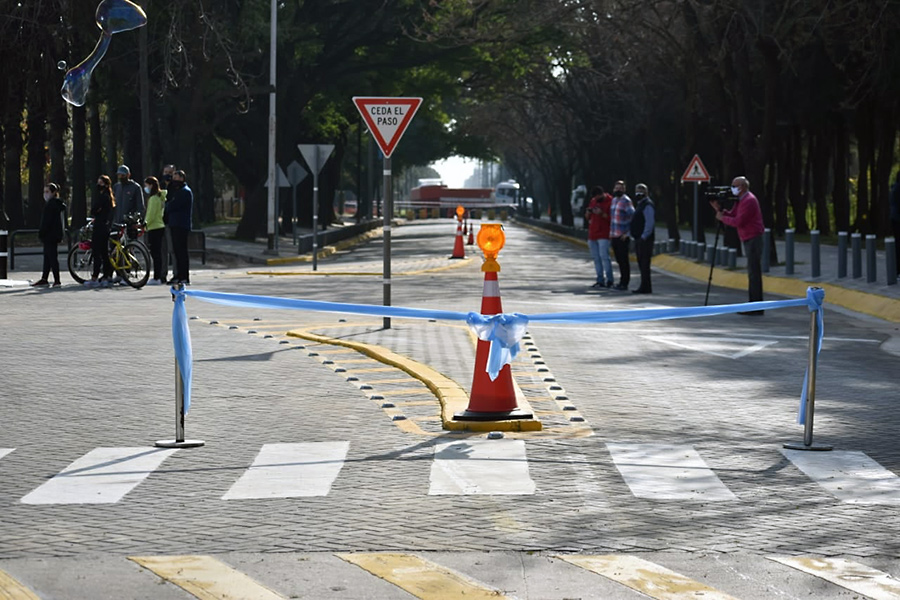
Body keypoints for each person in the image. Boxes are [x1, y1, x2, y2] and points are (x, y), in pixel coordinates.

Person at [712, 176, 765, 315]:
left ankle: (756, 306)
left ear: (742, 187)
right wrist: (720, 210)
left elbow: (738, 221)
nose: (732, 188)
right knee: (752, 272)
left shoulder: (749, 200)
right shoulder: (741, 200)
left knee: (754, 273)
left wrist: (722, 218)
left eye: (734, 186)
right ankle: (753, 304)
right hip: (748, 237)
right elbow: (733, 214)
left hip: (753, 238)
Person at [32, 183, 67, 288]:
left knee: (52, 257)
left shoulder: (50, 205)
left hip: (49, 235)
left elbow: (46, 221)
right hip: (54, 234)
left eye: (47, 192)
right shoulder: (57, 204)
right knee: (48, 257)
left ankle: (57, 280)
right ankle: (45, 278)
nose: (45, 194)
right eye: (44, 192)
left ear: (53, 193)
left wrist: (42, 232)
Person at [164, 169, 193, 285]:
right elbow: (168, 199)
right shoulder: (175, 191)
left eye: (176, 178)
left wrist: (167, 205)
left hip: (181, 224)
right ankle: (178, 275)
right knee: (176, 251)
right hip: (174, 223)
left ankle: (184, 276)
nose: (174, 181)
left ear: (182, 179)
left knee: (182, 251)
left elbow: (172, 205)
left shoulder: (184, 192)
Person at [87, 175, 115, 288]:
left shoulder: (103, 197)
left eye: (101, 183)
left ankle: (95, 276)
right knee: (104, 252)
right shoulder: (109, 196)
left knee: (97, 252)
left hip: (99, 227)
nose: (98, 185)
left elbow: (94, 209)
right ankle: (107, 276)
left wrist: (96, 212)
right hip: (105, 226)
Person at [585, 186, 614, 288]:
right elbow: (587, 217)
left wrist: (602, 214)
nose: (596, 200)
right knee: (596, 258)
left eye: (597, 197)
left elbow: (613, 219)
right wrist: (588, 213)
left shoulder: (610, 201)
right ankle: (600, 279)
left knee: (604, 257)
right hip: (593, 233)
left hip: (604, 234)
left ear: (602, 194)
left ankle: (610, 279)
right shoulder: (593, 201)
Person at [630, 183, 655, 294]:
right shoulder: (640, 204)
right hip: (639, 238)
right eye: (637, 190)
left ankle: (646, 287)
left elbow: (649, 223)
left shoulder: (647, 205)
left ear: (646, 192)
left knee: (645, 264)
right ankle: (644, 286)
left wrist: (643, 237)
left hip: (645, 240)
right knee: (641, 264)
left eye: (641, 191)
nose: (639, 193)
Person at [610, 180, 634, 291]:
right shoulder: (614, 200)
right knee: (619, 260)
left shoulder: (626, 201)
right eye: (616, 187)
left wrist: (628, 233)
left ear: (624, 189)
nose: (618, 190)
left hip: (622, 236)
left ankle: (625, 283)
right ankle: (621, 282)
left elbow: (633, 218)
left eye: (620, 188)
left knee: (624, 260)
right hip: (614, 235)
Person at [143, 176, 167, 285]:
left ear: (151, 185)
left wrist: (145, 224)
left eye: (146, 185)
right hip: (160, 226)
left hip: (154, 227)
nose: (145, 188)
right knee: (158, 253)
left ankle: (156, 277)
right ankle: (158, 276)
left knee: (155, 253)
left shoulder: (153, 199)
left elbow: (150, 214)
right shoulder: (160, 197)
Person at [891, 172, 900, 275]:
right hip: (898, 219)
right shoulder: (898, 189)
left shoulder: (894, 188)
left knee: (897, 244)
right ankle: (898, 269)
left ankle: (897, 269)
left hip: (894, 219)